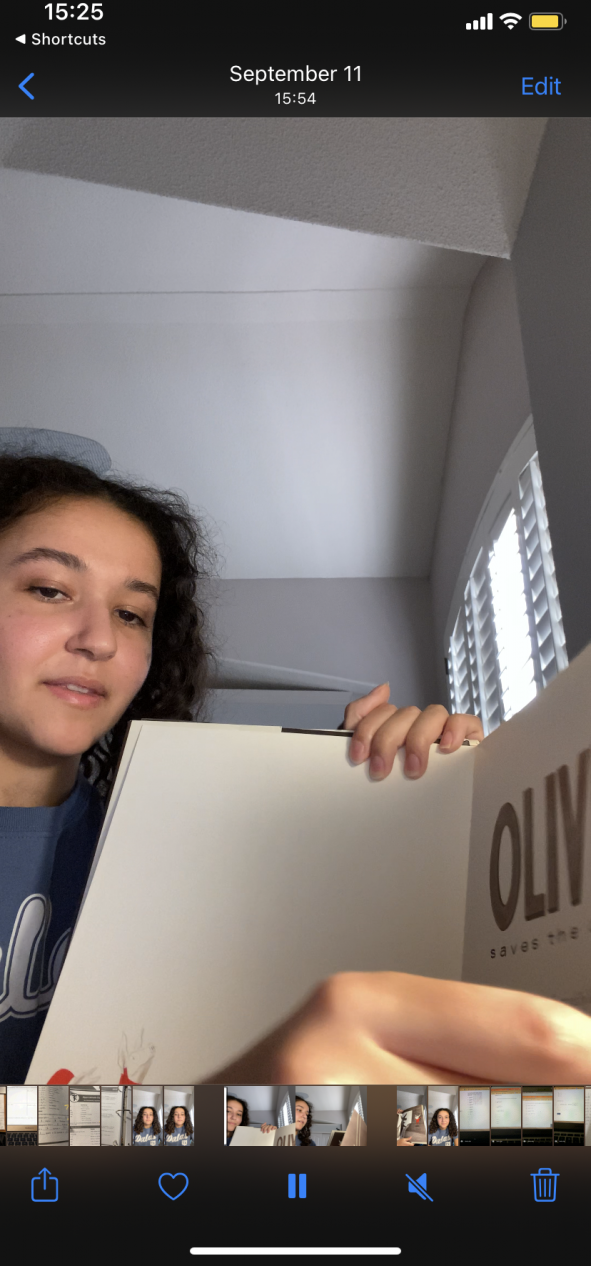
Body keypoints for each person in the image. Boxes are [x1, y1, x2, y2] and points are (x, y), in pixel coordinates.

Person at [1, 451, 590, 1087]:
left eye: (131, 614)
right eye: (49, 590)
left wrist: (411, 794)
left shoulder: (168, 851)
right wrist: (218, 1115)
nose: (100, 640)